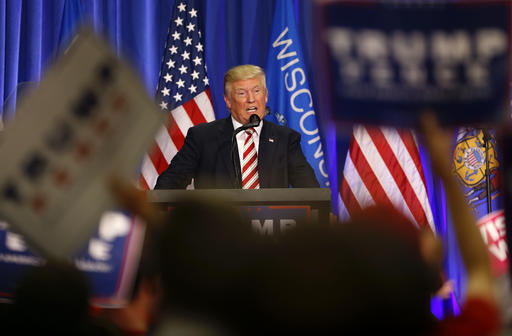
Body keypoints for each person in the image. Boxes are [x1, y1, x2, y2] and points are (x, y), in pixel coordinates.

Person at [154, 64, 319, 189]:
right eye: (242, 93)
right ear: (228, 101)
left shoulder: (285, 139)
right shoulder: (203, 137)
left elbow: (310, 191)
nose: (251, 99)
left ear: (266, 96)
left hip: (271, 230)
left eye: (257, 91)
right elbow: (168, 184)